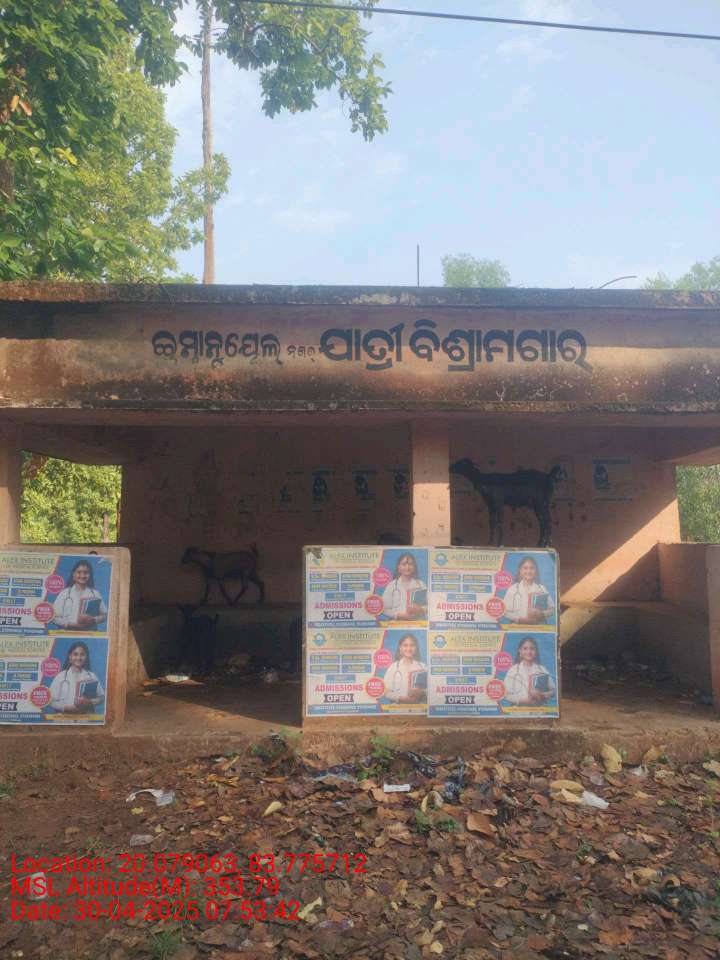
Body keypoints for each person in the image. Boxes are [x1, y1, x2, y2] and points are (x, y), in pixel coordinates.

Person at [47, 642, 105, 714]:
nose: (79, 658)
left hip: (86, 717)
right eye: (75, 654)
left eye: (82, 654)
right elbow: (50, 700)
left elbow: (101, 697)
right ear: (70, 657)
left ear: (86, 657)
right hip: (64, 717)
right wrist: (66, 708)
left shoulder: (92, 676)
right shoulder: (60, 676)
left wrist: (89, 702)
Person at [52, 560, 107, 630]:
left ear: (90, 575)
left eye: (86, 572)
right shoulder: (64, 593)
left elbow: (104, 615)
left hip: (89, 633)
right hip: (68, 632)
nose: (82, 575)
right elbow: (54, 617)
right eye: (79, 572)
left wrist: (93, 620)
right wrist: (69, 624)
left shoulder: (95, 594)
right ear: (73, 574)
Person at [503, 637, 555, 707]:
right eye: (525, 648)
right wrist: (521, 701)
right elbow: (505, 694)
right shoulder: (513, 670)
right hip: (518, 710)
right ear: (520, 651)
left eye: (532, 648)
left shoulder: (542, 669)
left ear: (536, 651)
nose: (529, 652)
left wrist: (542, 695)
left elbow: (553, 690)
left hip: (538, 710)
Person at [502, 556, 555, 624]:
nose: (529, 571)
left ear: (536, 571)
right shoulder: (513, 589)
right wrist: (519, 619)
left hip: (537, 627)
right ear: (520, 571)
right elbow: (504, 610)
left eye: (532, 568)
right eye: (525, 568)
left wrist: (542, 614)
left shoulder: (541, 588)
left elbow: (552, 609)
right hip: (517, 627)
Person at [381, 553, 427, 620]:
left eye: (410, 564)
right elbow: (383, 608)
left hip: (416, 623)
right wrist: (398, 615)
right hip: (396, 623)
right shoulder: (391, 585)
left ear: (414, 567)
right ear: (398, 567)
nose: (407, 567)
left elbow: (430, 606)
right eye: (404, 564)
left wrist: (420, 609)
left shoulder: (421, 585)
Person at [383, 634, 427, 704]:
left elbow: (432, 690)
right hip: (398, 708)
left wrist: (421, 692)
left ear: (416, 647)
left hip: (418, 708)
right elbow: (385, 691)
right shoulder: (393, 667)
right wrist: (400, 698)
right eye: (405, 645)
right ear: (400, 648)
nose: (409, 649)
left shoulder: (423, 667)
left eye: (412, 645)